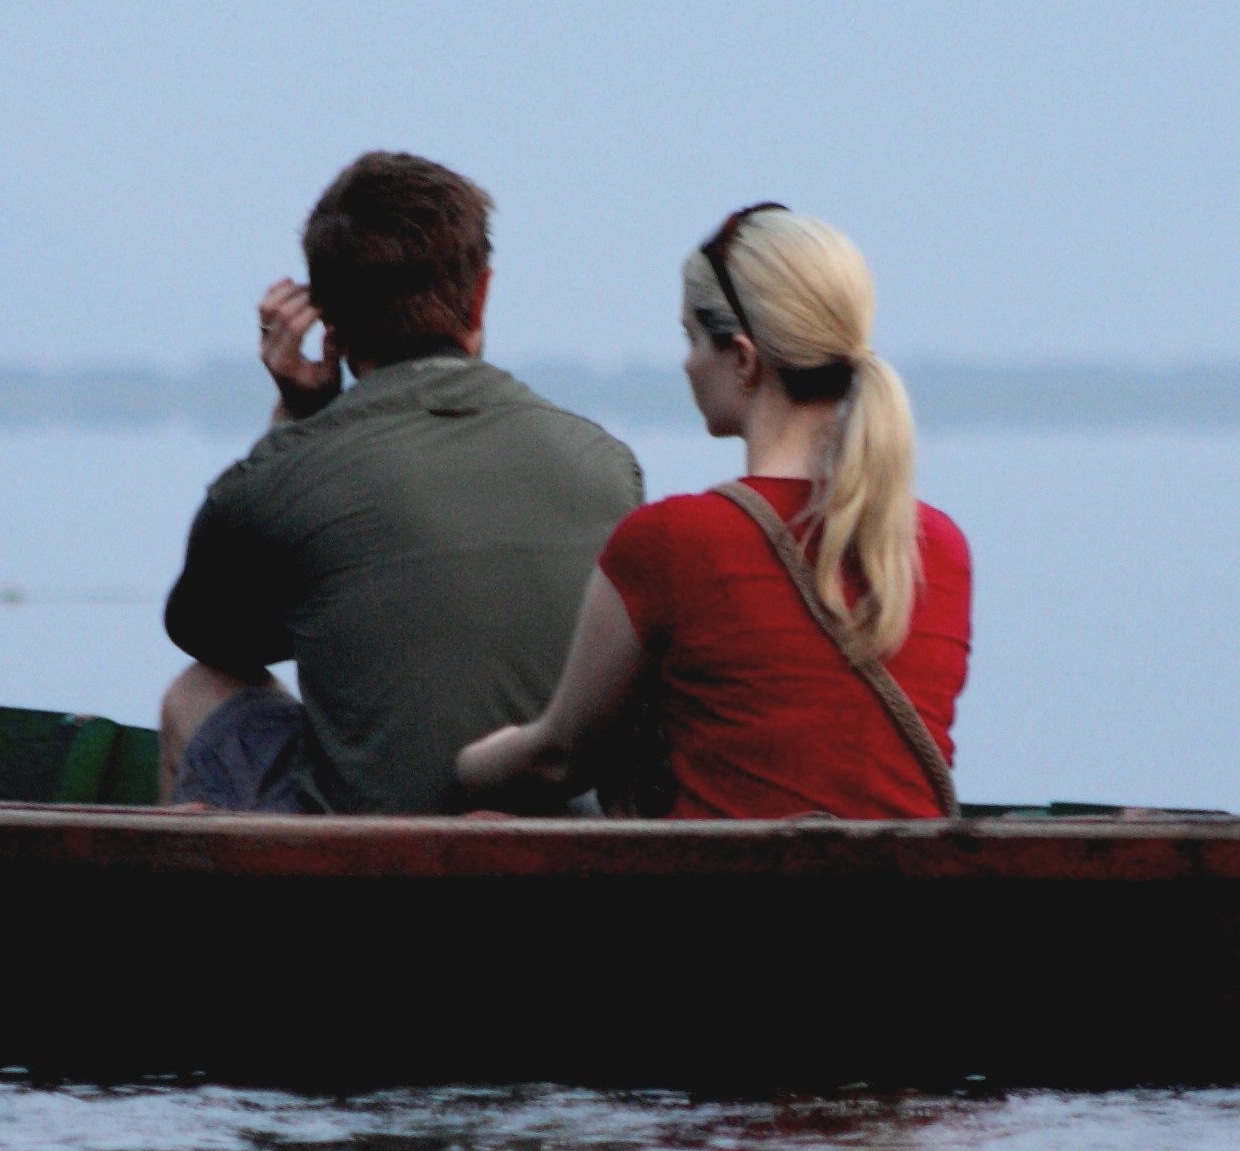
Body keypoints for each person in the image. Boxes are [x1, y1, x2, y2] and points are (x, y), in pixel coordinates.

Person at [157, 151, 643, 812]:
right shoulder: (609, 467)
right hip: (553, 858)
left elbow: (216, 640)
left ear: (326, 318)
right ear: (482, 293)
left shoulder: (276, 478)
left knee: (196, 693)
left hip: (360, 870)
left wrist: (294, 421)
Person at [456, 204, 974, 820]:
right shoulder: (938, 546)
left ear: (744, 359)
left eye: (690, 338)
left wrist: (465, 767)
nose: (685, 363)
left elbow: (560, 758)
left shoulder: (674, 541)